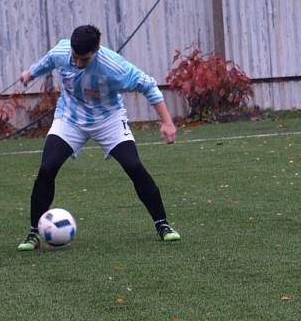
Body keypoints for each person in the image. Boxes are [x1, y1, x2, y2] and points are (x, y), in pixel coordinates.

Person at [16, 24, 180, 251]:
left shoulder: (114, 67)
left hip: (108, 120)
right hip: (70, 118)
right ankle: (34, 233)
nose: (78, 63)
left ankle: (163, 225)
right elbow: (47, 61)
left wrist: (167, 122)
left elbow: (148, 86)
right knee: (47, 168)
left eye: (84, 60)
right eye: (75, 58)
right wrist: (30, 73)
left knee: (134, 166)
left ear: (97, 50)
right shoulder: (62, 52)